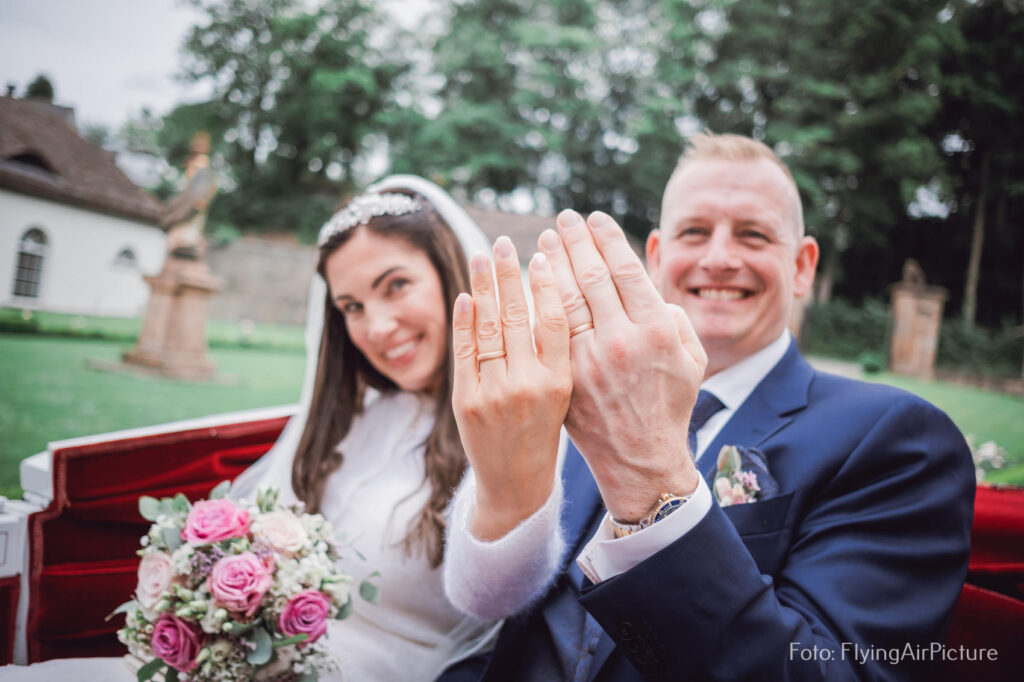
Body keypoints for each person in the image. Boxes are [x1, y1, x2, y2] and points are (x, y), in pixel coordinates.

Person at [439, 133, 975, 681]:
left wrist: (649, 475)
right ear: (656, 255)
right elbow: (511, 611)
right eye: (694, 232)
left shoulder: (899, 439)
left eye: (753, 234)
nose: (719, 259)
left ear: (803, 266)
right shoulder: (589, 392)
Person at [1, 175, 497, 682]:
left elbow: (496, 597)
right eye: (351, 307)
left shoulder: (503, 430)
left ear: (450, 274)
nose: (376, 327)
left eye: (396, 285)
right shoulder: (350, 421)